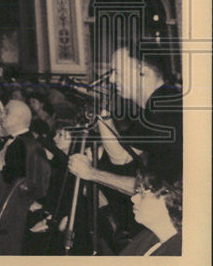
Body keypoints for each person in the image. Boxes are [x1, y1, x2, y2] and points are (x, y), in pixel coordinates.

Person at [68, 45, 182, 197]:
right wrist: (102, 110)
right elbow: (121, 157)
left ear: (143, 71)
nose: (111, 79)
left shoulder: (163, 112)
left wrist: (92, 173)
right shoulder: (161, 102)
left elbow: (156, 189)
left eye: (116, 72)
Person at [119, 168, 182, 256]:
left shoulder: (177, 252)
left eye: (143, 194)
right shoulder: (145, 237)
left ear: (172, 197)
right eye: (137, 192)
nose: (133, 198)